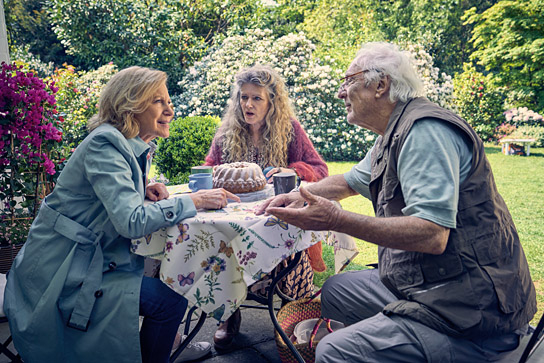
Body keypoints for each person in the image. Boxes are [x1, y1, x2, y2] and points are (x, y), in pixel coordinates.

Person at [256, 42, 537, 362]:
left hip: (471, 311)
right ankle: (396, 339)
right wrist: (297, 194)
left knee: (334, 350)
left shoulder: (424, 131)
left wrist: (336, 220)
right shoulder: (393, 134)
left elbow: (432, 234)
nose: (340, 93)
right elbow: (348, 182)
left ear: (380, 85)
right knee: (336, 291)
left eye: (348, 81)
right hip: (431, 284)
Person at [3, 66, 240, 363]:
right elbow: (131, 222)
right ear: (131, 106)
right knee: (170, 300)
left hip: (84, 261)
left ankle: (160, 349)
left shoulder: (122, 144)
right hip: (60, 273)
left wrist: (142, 191)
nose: (170, 109)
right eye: (159, 102)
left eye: (168, 101)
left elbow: (112, 201)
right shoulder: (106, 144)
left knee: (171, 278)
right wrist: (194, 199)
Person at [204, 65, 329, 350]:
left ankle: (287, 311)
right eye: (243, 97)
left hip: (277, 218)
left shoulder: (290, 131)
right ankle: (228, 314)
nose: (248, 104)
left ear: (272, 102)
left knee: (285, 250)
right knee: (221, 244)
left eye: (256, 98)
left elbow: (320, 170)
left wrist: (292, 169)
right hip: (234, 219)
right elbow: (210, 168)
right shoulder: (226, 133)